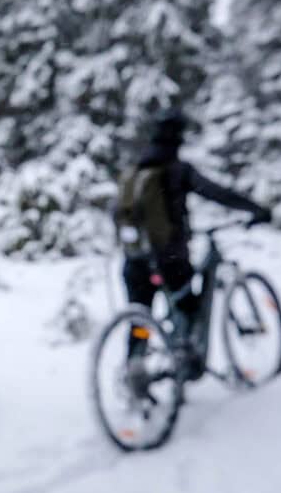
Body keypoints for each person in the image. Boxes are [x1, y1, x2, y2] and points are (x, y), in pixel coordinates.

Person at [114, 109, 272, 377]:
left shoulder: (134, 173)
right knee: (188, 305)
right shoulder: (177, 170)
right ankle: (184, 358)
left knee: (140, 320)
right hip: (169, 259)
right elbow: (216, 193)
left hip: (135, 259)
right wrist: (255, 209)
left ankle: (134, 372)